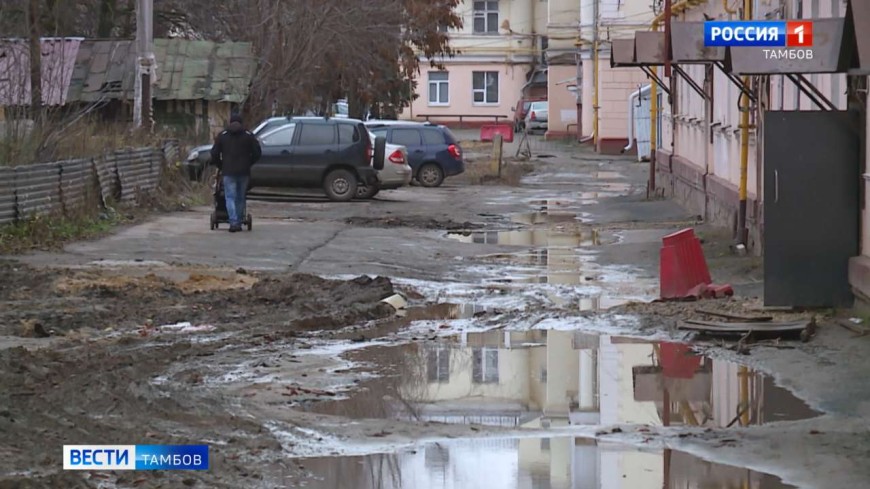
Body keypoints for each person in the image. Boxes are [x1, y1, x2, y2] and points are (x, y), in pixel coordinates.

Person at [211, 113, 262, 232]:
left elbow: (214, 153)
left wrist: (221, 165)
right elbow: (257, 153)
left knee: (230, 197)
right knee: (240, 197)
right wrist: (249, 163)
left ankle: (233, 222)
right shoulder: (248, 135)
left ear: (230, 123)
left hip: (228, 171)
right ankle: (238, 221)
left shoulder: (223, 136)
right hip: (244, 172)